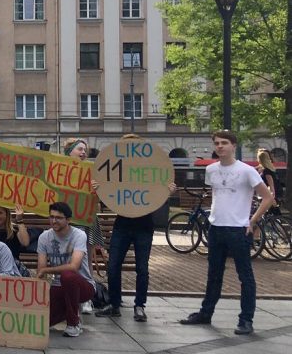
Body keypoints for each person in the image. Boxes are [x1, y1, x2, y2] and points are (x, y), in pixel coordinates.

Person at [180, 130, 274, 334]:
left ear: (234, 146)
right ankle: (206, 313)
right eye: (217, 143)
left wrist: (253, 220)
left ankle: (246, 320)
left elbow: (267, 197)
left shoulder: (246, 170)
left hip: (238, 229)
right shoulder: (211, 170)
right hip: (216, 227)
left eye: (224, 143)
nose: (220, 146)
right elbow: (216, 195)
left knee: (245, 276)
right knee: (214, 274)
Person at [95, 135, 178, 322]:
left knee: (142, 268)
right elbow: (110, 196)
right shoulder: (118, 169)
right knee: (113, 265)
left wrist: (168, 191)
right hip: (122, 225)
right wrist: (98, 189)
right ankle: (114, 304)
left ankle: (140, 305)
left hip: (144, 226)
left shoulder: (147, 169)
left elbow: (157, 195)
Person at [36, 201, 96, 338]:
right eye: (51, 217)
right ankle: (70, 310)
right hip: (57, 286)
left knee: (68, 275)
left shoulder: (79, 235)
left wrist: (47, 270)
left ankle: (73, 323)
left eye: (58, 218)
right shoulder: (44, 237)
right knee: (42, 323)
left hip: (83, 286)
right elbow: (41, 268)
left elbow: (74, 267)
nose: (54, 221)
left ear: (68, 220)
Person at [63, 137, 103, 314]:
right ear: (69, 151)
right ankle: (79, 296)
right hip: (68, 221)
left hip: (86, 220)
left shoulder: (91, 172)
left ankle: (86, 297)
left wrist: (97, 189)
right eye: (79, 149)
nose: (83, 152)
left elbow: (98, 200)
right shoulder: (60, 171)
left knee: (84, 259)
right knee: (71, 260)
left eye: (84, 150)